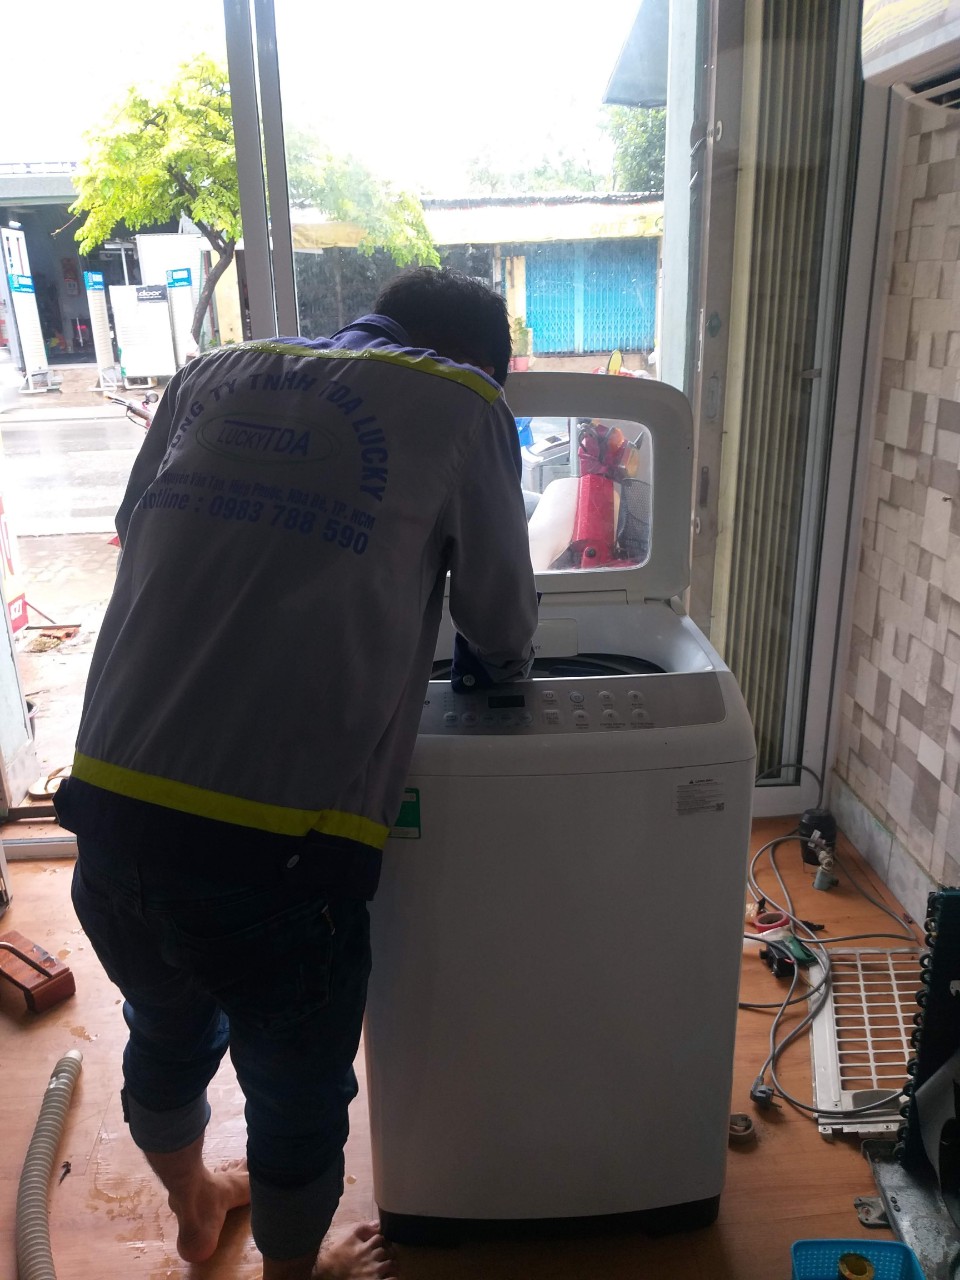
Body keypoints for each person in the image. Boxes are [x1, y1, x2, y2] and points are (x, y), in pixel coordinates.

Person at [54, 267, 539, 1280]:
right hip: (275, 856)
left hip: (107, 808)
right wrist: (496, 672)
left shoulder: (209, 373)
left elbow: (141, 526)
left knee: (166, 1025)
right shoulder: (465, 403)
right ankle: (294, 1271)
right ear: (482, 363)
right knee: (294, 1090)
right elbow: (499, 621)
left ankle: (195, 1206)